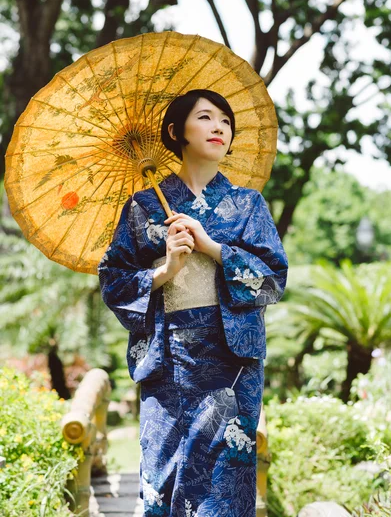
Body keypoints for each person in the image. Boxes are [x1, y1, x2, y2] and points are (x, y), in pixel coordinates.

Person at [98, 89, 288, 517]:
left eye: (225, 120)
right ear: (174, 131)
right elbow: (112, 282)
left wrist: (213, 246)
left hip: (231, 363)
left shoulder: (248, 205)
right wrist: (164, 271)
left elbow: (274, 280)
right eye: (205, 117)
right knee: (163, 479)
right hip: (168, 360)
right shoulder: (144, 207)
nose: (219, 126)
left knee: (224, 484)